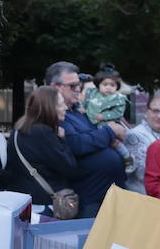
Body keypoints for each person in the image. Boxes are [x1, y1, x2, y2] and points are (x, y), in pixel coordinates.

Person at [46, 62, 126, 217]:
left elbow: (92, 137)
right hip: (88, 199)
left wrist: (110, 137)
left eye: (79, 85)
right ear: (55, 87)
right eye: (73, 86)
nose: (78, 89)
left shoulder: (79, 112)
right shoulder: (56, 116)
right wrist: (110, 131)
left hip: (107, 195)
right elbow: (77, 144)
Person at [0, 87, 78, 210]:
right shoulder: (42, 132)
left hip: (24, 201)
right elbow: (70, 168)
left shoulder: (18, 129)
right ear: (49, 107)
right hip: (43, 204)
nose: (66, 108)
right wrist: (62, 140)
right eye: (61, 104)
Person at [123, 94, 160, 193]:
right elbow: (141, 173)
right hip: (142, 199)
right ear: (147, 111)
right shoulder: (135, 135)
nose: (159, 116)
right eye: (155, 111)